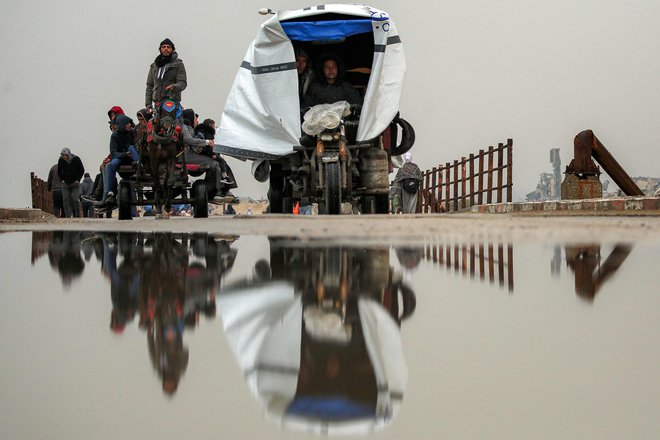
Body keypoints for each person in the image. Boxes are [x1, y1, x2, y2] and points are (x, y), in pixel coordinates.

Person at [96, 114, 140, 208]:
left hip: (132, 158)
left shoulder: (132, 132)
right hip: (121, 157)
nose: (129, 125)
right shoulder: (115, 136)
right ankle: (110, 193)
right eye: (127, 123)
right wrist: (124, 154)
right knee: (111, 165)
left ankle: (139, 167)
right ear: (122, 124)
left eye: (129, 123)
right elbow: (113, 153)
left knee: (131, 147)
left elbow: (137, 145)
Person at [181, 109, 225, 200]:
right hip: (187, 156)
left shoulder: (188, 127)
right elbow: (189, 140)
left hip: (189, 155)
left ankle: (212, 189)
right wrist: (207, 142)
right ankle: (217, 191)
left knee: (215, 161)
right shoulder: (184, 127)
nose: (195, 120)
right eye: (194, 117)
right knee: (214, 163)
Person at [194, 117, 237, 196]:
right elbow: (203, 147)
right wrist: (212, 154)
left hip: (208, 155)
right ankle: (219, 191)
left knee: (224, 165)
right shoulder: (205, 134)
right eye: (214, 126)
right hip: (205, 156)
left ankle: (225, 188)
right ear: (210, 126)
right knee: (217, 166)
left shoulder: (202, 133)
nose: (215, 128)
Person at [145, 38, 187, 113]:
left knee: (176, 124)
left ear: (172, 49)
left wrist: (174, 86)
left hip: (173, 102)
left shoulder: (178, 64)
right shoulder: (154, 66)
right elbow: (149, 86)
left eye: (168, 47)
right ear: (160, 49)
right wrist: (148, 104)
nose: (166, 49)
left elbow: (183, 82)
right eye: (163, 47)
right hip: (157, 104)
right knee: (151, 123)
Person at [57, 147, 85, 217]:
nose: (64, 157)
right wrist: (62, 180)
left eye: (65, 155)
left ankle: (77, 215)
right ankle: (68, 216)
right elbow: (59, 171)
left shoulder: (76, 159)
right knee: (66, 200)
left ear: (69, 154)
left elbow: (81, 170)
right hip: (65, 183)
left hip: (75, 183)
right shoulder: (61, 160)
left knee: (75, 199)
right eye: (63, 155)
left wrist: (78, 180)